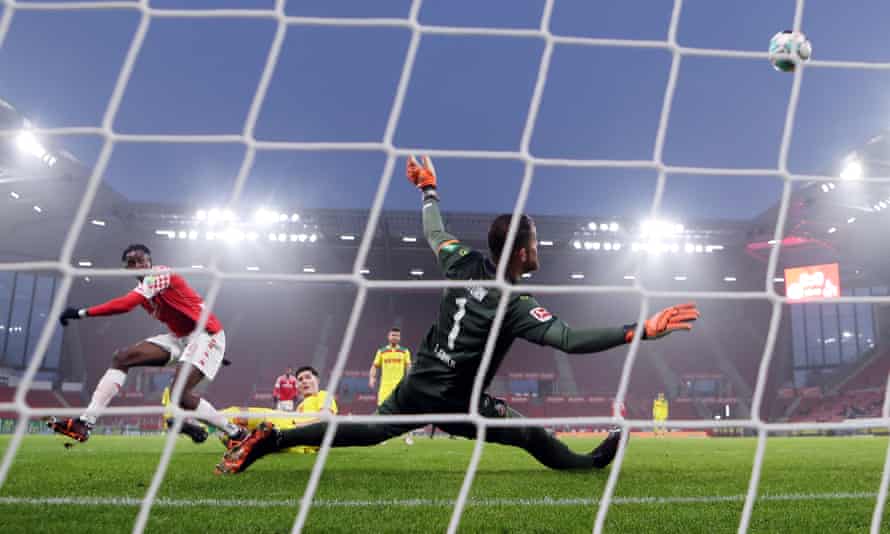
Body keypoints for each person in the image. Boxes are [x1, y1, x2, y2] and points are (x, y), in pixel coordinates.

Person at [215, 156, 700, 475]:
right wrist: (642, 329)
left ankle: (273, 439)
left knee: (366, 431)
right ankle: (590, 466)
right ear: (522, 253)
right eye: (534, 242)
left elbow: (434, 231)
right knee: (529, 434)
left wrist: (429, 191)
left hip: (420, 382)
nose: (539, 248)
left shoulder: (462, 261)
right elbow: (570, 339)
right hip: (459, 401)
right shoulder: (516, 305)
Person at [48, 244, 247, 445]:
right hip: (181, 338)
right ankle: (85, 422)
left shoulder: (161, 273)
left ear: (149, 262)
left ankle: (236, 434)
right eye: (132, 263)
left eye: (142, 260)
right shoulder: (145, 294)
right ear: (126, 269)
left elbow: (125, 305)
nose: (139, 265)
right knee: (121, 357)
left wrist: (81, 313)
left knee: (179, 395)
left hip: (206, 334)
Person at [369, 327, 414, 445]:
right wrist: (372, 378)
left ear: (399, 338)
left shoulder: (404, 351)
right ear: (388, 337)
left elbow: (409, 367)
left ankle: (407, 436)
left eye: (397, 336)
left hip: (400, 386)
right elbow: (374, 366)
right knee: (382, 412)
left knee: (404, 410)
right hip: (385, 387)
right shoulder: (382, 351)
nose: (395, 337)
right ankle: (381, 437)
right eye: (393, 335)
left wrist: (409, 380)